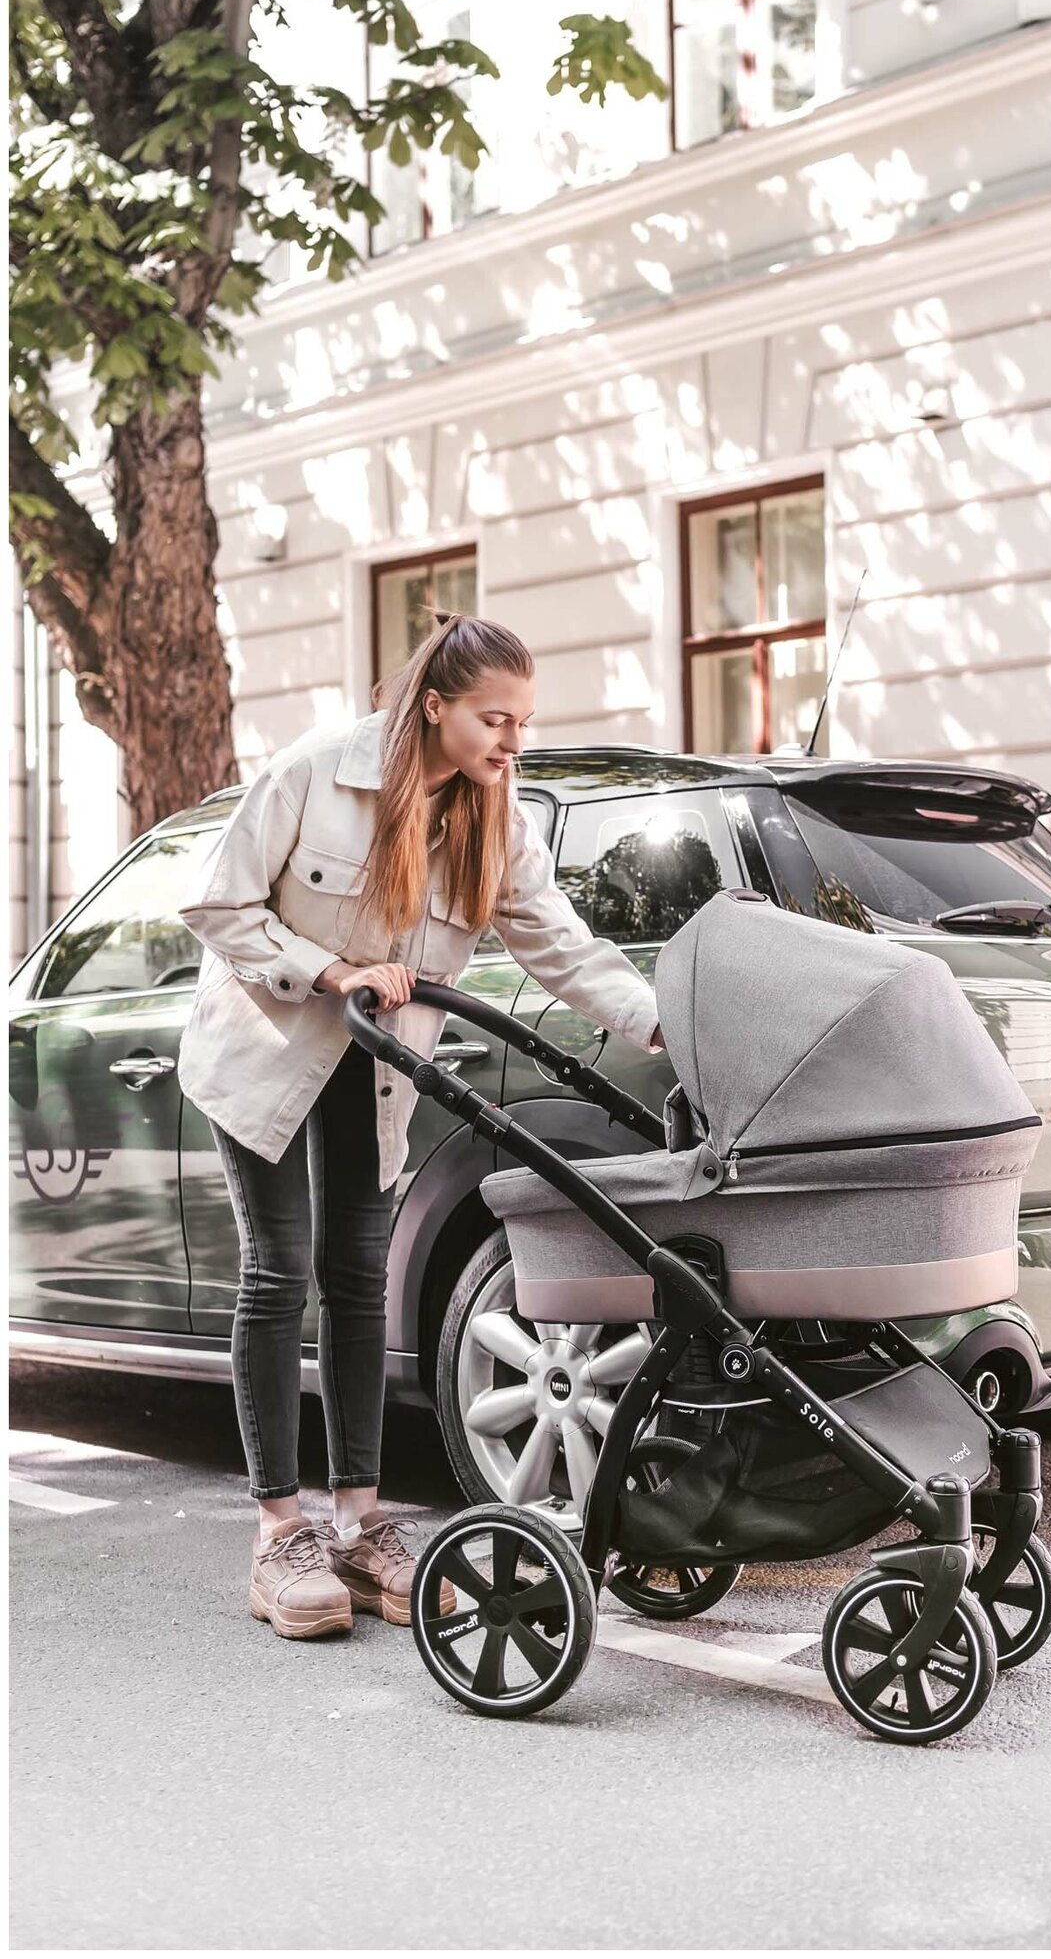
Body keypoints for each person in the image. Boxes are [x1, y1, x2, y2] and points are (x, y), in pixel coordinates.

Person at [176, 612, 665, 1640]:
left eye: (523, 722)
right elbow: (218, 906)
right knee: (280, 1270)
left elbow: (560, 944)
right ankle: (279, 1535)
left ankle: (359, 1526)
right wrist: (330, 969)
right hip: (267, 1045)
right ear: (435, 704)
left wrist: (660, 1021)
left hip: (375, 1062)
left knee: (359, 1276)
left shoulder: (495, 816)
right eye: (496, 719)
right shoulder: (315, 773)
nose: (513, 743)